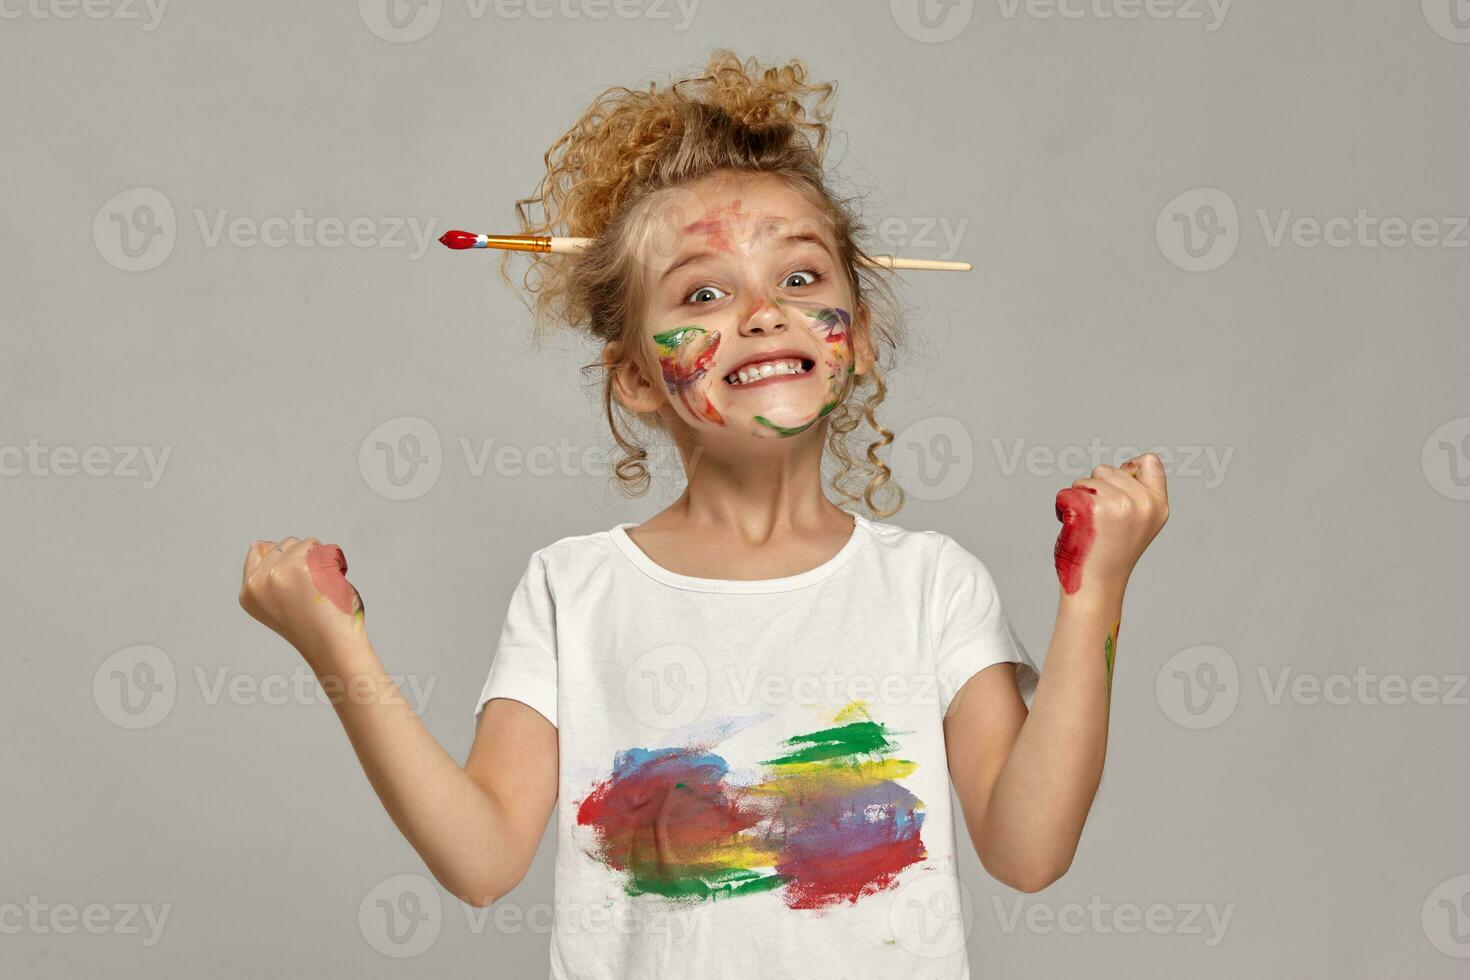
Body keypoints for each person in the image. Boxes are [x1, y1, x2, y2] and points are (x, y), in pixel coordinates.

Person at [238, 49, 1169, 980]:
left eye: (800, 279)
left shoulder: (931, 586)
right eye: (705, 293)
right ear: (637, 375)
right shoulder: (576, 589)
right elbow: (482, 864)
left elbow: (1029, 850)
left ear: (862, 334)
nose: (765, 313)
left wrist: (1098, 596)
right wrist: (339, 650)